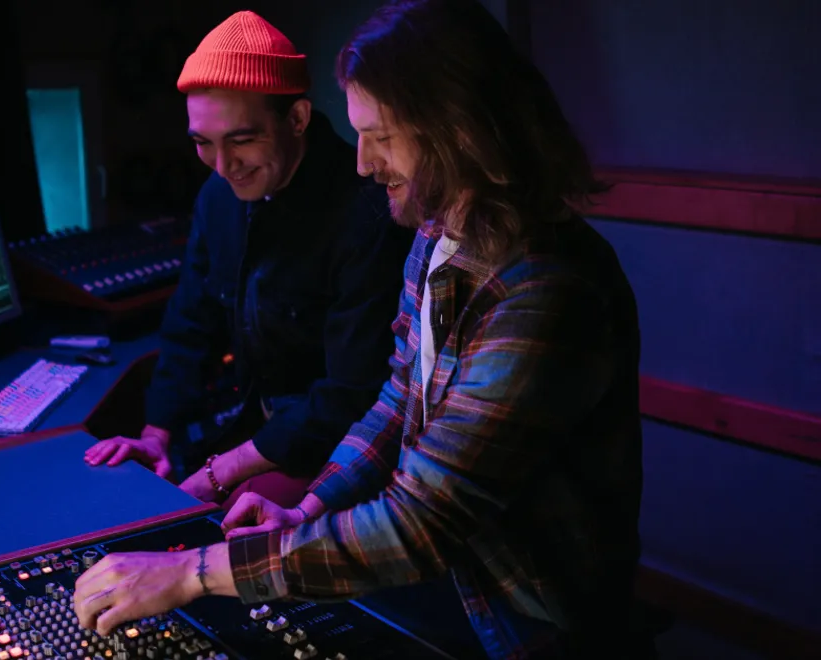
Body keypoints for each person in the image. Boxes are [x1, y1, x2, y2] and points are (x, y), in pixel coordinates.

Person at [73, 1, 646, 657]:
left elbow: (422, 523)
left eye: (382, 137)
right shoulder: (437, 232)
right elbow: (398, 398)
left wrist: (192, 573)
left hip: (527, 616)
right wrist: (308, 508)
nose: (364, 164)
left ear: (458, 129)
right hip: (455, 578)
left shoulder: (543, 289)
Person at [84, 11, 414, 509]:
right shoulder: (218, 195)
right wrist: (157, 434)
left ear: (297, 119)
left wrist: (219, 472)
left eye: (241, 140)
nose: (223, 167)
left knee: (232, 525)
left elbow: (351, 393)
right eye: (203, 143)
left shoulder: (367, 210)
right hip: (256, 423)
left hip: (334, 441)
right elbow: (190, 324)